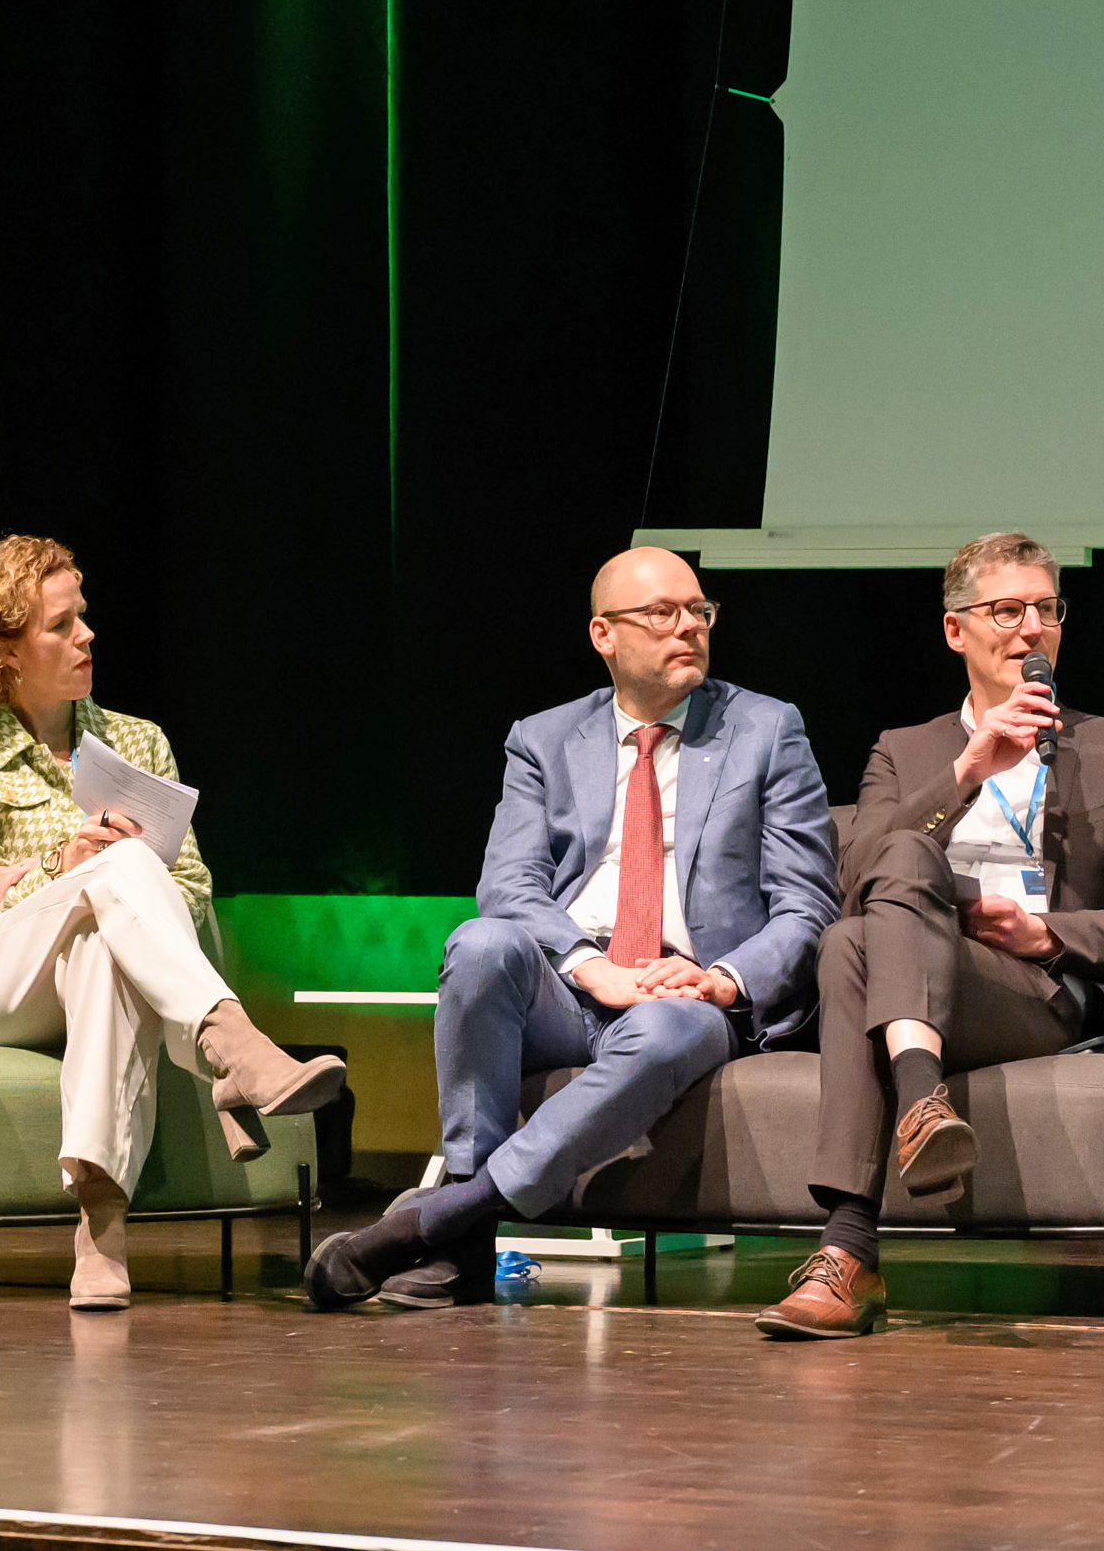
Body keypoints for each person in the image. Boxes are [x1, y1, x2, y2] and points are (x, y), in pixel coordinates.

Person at [306, 546, 836, 1311]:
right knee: (478, 943)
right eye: (661, 613)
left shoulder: (765, 729)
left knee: (662, 1033)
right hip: (568, 985)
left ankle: (449, 1220)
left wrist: (719, 979)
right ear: (603, 635)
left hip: (685, 992)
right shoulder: (544, 739)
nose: (687, 626)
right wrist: (590, 967)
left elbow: (804, 905)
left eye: (699, 611)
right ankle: (463, 1223)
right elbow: (508, 886)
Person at [758, 531, 1104, 1340]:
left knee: (853, 947)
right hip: (912, 970)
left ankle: (849, 1251)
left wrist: (1043, 934)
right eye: (1006, 609)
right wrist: (966, 772)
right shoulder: (906, 749)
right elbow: (856, 877)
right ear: (955, 629)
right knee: (871, 908)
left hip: (1035, 991)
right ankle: (913, 1122)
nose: (1030, 630)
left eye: (1046, 610)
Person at [0, 536, 344, 1312]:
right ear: (5, 649)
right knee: (113, 870)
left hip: (94, 962)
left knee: (104, 948)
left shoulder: (138, 740)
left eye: (82, 617)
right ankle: (228, 1045)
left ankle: (101, 1237)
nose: (86, 635)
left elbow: (190, 884)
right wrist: (67, 864)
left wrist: (105, 881)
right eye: (60, 625)